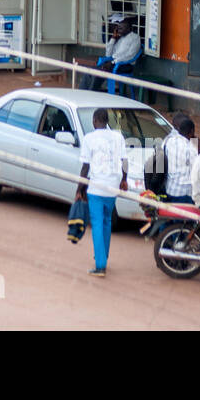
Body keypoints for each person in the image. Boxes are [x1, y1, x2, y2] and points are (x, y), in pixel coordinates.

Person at [78, 108, 127, 278]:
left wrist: (79, 189)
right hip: (113, 186)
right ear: (107, 121)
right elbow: (124, 161)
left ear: (95, 120)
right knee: (106, 222)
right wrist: (124, 180)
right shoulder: (118, 137)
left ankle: (100, 266)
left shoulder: (89, 138)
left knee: (97, 224)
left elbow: (85, 167)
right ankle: (103, 256)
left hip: (97, 187)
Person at [79, 13, 141, 94]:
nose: (119, 30)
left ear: (129, 28)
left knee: (97, 73)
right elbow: (108, 54)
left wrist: (112, 62)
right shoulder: (120, 38)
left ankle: (91, 94)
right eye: (118, 28)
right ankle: (81, 93)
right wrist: (113, 38)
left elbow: (130, 56)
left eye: (121, 28)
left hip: (125, 65)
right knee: (90, 71)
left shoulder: (135, 38)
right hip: (113, 63)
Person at [162, 115, 197, 204]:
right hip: (184, 193)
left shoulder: (167, 141)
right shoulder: (191, 148)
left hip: (169, 189)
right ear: (192, 131)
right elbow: (197, 168)